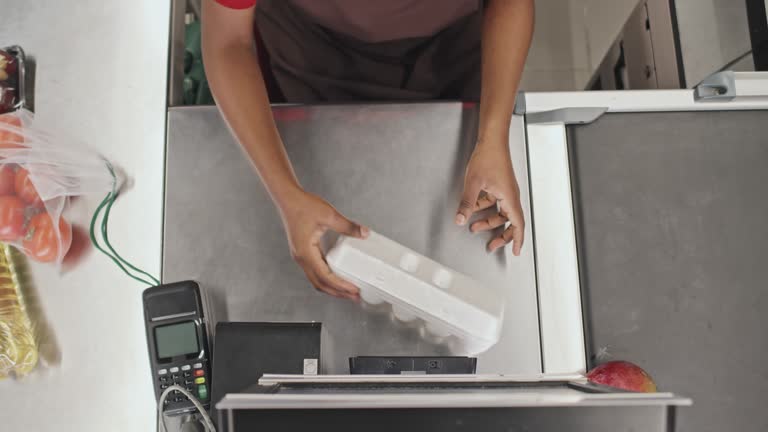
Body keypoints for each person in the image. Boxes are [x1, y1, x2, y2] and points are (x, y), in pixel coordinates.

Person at [202, 0, 534, 300]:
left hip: (448, 54)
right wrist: (285, 192)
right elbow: (228, 40)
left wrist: (492, 138)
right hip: (311, 55)